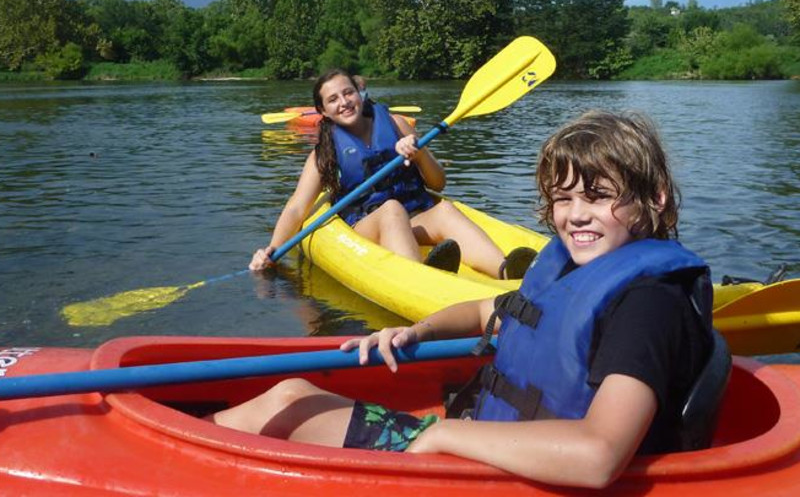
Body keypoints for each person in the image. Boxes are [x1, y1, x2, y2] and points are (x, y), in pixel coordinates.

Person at [224, 110, 713, 489]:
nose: (576, 216)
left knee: (288, 408)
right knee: (291, 394)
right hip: (487, 445)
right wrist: (419, 330)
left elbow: (597, 456)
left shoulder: (649, 305)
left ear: (658, 197)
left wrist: (438, 435)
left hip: (506, 476)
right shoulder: (575, 269)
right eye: (564, 200)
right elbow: (489, 311)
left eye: (599, 196)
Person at [250, 69, 534, 279]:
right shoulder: (324, 154)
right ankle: (422, 279)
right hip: (367, 225)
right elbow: (297, 207)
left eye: (348, 92)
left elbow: (438, 183)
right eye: (333, 99)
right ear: (323, 111)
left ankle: (506, 270)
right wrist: (273, 250)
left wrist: (418, 153)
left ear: (359, 93)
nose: (344, 102)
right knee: (391, 209)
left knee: (444, 210)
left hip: (414, 215)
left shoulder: (397, 125)